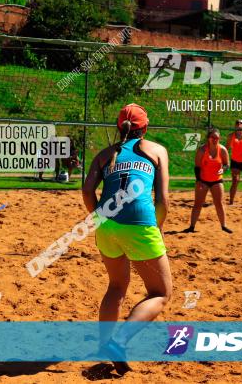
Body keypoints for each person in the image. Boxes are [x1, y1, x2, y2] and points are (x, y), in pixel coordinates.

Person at [81, 103, 171, 373]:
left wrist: (98, 216)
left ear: (119, 127)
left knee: (116, 286)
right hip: (139, 224)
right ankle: (119, 342)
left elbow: (87, 191)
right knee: (161, 293)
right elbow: (163, 200)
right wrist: (158, 227)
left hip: (106, 224)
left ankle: (106, 344)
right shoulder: (156, 150)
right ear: (145, 128)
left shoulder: (105, 154)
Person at [184, 128, 232, 233]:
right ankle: (191, 227)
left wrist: (222, 169)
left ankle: (224, 226)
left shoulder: (222, 150)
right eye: (213, 137)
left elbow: (227, 164)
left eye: (217, 138)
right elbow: (197, 167)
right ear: (208, 138)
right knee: (198, 203)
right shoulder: (202, 150)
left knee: (219, 203)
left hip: (217, 180)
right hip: (203, 180)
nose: (215, 140)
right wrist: (199, 181)